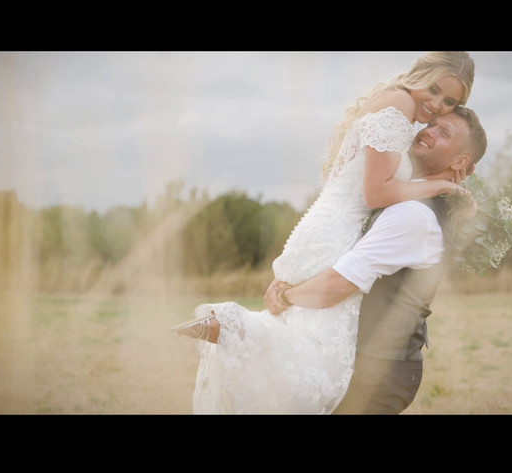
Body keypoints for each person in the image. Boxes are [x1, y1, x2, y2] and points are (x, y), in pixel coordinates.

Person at [173, 52, 476, 414]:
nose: (436, 104)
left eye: (450, 101)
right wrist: (439, 186)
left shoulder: (399, 107)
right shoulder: (398, 106)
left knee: (306, 336)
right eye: (434, 89)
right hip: (334, 236)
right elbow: (376, 193)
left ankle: (235, 330)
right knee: (325, 361)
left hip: (321, 230)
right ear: (419, 75)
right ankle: (233, 326)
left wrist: (444, 185)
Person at [265, 107, 487, 414]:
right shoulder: (409, 201)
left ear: (461, 162)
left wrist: (284, 296)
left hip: (379, 373)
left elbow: (339, 284)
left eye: (444, 133)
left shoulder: (414, 215)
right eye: (432, 124)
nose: (428, 131)